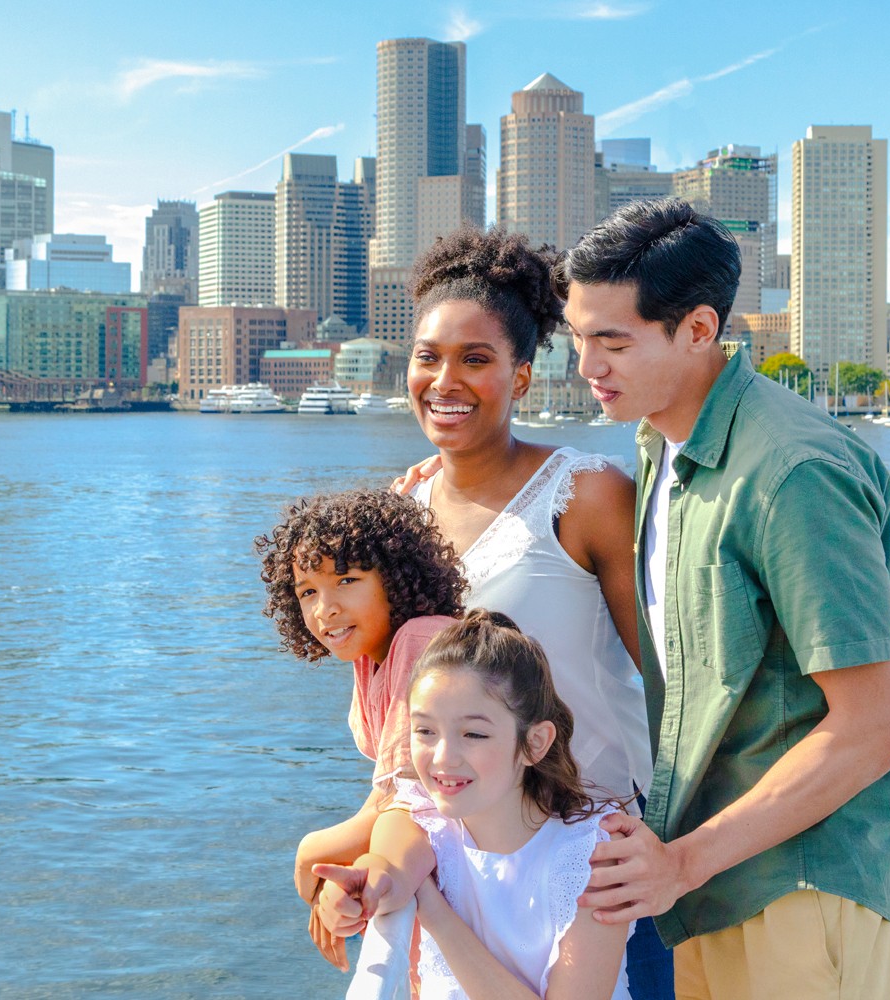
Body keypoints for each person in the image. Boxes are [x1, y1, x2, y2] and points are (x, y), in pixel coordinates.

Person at [559, 198, 890, 999]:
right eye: (579, 337)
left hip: (797, 888)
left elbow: (873, 727)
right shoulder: (661, 444)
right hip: (707, 884)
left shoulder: (794, 472)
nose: (587, 366)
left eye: (613, 342)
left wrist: (680, 862)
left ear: (698, 330)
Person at [394, 226, 673, 994]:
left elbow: (664, 677)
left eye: (475, 360)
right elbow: (391, 701)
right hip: (464, 856)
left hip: (597, 863)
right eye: (427, 356)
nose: (445, 380)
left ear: (520, 377)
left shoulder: (587, 495)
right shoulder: (403, 507)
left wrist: (675, 836)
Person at [314, 609, 632, 999]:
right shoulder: (423, 816)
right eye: (425, 730)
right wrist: (351, 894)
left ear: (535, 742)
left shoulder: (596, 859)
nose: (444, 757)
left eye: (474, 733)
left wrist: (434, 911)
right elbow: (385, 871)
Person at [254, 488, 467, 971]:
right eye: (307, 591)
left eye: (346, 580)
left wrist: (311, 854)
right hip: (432, 857)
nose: (324, 609)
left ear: (395, 578)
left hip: (469, 865)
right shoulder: (372, 655)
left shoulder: (420, 639)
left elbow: (407, 799)